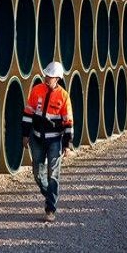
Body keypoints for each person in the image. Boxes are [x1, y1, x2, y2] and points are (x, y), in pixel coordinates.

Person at [22, 61, 74, 222]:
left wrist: (67, 144)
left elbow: (68, 122)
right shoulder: (36, 90)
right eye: (46, 74)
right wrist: (25, 135)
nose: (46, 77)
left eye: (50, 76)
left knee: (54, 175)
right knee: (37, 174)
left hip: (54, 141)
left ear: (57, 78)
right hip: (37, 138)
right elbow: (27, 114)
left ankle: (50, 208)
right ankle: (49, 194)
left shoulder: (64, 96)